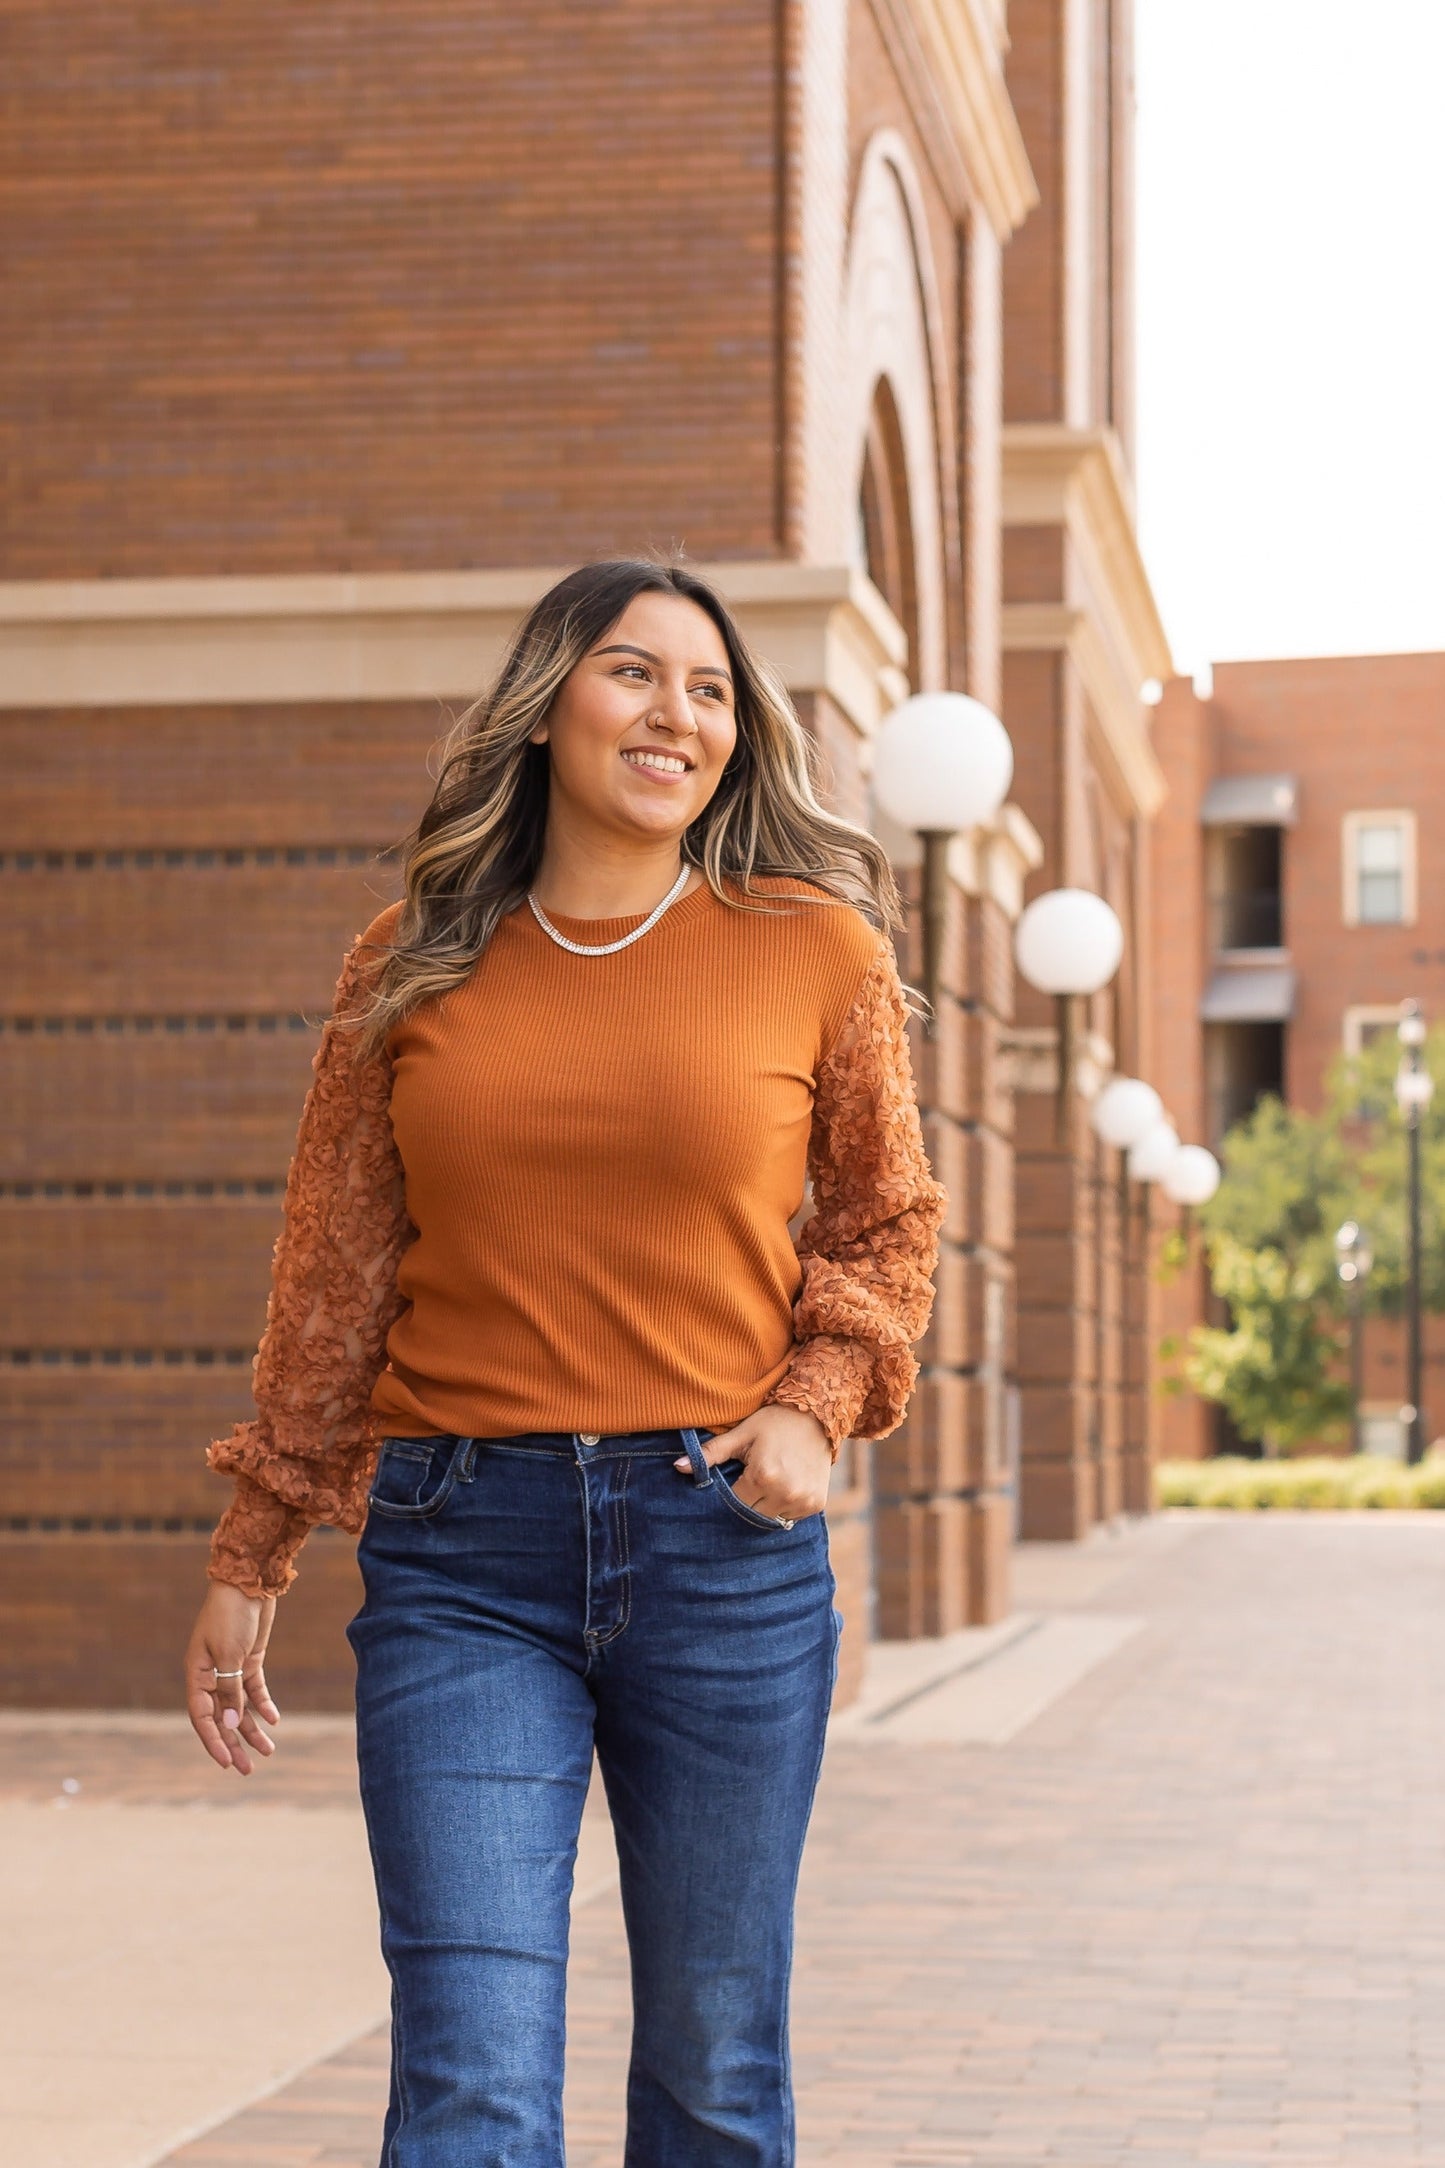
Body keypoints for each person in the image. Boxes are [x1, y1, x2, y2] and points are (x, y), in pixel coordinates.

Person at [184, 558, 944, 2167]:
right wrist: (255, 1542)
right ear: (545, 707)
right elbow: (333, 1275)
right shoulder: (410, 961)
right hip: (464, 1554)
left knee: (713, 2072)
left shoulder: (815, 950)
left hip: (721, 1547)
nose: (676, 713)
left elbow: (889, 1221)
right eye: (632, 672)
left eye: (712, 689)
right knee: (467, 2085)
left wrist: (814, 1406)